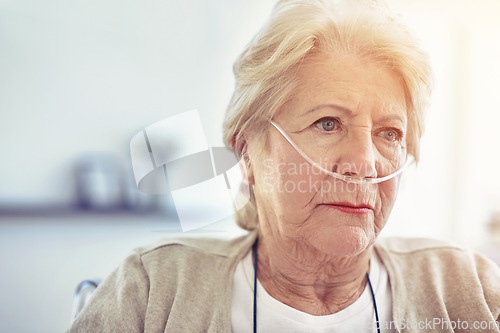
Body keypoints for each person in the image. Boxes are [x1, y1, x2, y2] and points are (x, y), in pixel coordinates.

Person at [69, 0, 500, 332]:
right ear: (247, 151)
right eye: (327, 123)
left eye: (389, 133)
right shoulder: (153, 290)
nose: (365, 163)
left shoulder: (467, 289)